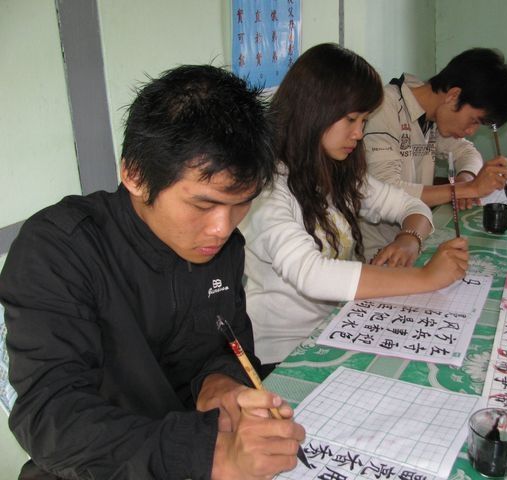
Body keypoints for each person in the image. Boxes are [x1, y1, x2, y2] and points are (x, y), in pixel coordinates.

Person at [0, 65, 305, 479]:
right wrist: (208, 455)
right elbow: (51, 419)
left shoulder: (221, 247)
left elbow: (227, 346)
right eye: (203, 205)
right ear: (135, 175)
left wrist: (219, 384)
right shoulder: (59, 249)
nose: (222, 228)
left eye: (241, 203)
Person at [240, 43, 469, 374]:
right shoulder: (267, 187)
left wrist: (409, 239)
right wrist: (425, 277)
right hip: (282, 355)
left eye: (364, 120)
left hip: (338, 328)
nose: (359, 133)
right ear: (313, 110)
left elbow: (412, 206)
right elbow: (312, 274)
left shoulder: (337, 170)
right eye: (351, 119)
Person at [362, 48, 507, 257]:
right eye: (473, 120)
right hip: (378, 252)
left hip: (416, 239)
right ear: (453, 96)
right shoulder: (383, 110)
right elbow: (386, 191)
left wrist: (465, 179)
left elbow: (467, 152)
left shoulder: (431, 113)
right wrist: (467, 189)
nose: (471, 131)